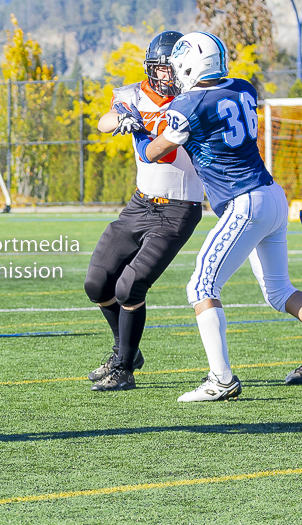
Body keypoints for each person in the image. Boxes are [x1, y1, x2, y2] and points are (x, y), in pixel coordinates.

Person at [136, 31, 302, 400]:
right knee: (279, 292)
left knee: (200, 287)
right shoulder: (243, 88)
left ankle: (221, 380)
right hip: (272, 196)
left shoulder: (187, 105)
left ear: (191, 67)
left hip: (245, 202)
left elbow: (155, 152)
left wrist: (140, 136)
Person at [84, 31, 204, 391]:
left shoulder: (197, 100)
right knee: (97, 282)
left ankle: (124, 368)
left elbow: (164, 150)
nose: (167, 76)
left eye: (173, 69)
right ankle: (127, 351)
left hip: (179, 207)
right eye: (162, 69)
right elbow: (105, 121)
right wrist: (121, 117)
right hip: (140, 203)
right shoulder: (133, 94)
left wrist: (145, 127)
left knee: (129, 287)